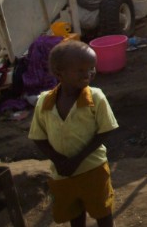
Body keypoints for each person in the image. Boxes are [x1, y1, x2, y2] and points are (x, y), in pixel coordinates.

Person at [29, 40, 119, 227]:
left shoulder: (96, 97)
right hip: (63, 174)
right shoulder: (44, 102)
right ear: (59, 72)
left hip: (93, 169)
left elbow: (106, 130)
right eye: (80, 70)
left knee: (103, 212)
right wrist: (58, 160)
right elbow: (38, 137)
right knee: (75, 215)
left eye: (92, 68)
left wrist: (76, 160)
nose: (88, 74)